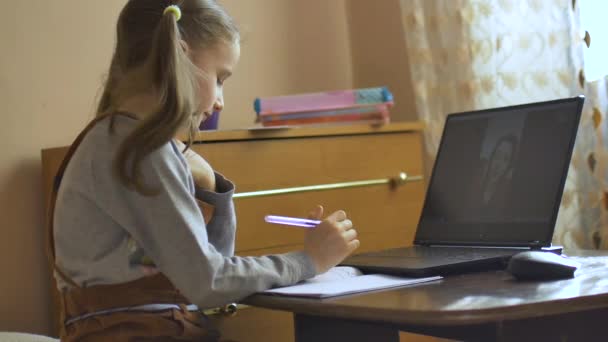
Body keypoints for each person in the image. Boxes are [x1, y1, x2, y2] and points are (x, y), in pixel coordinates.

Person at [49, 1, 360, 341]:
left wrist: (214, 190)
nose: (221, 100)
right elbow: (211, 283)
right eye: (220, 78)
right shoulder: (141, 149)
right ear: (179, 57)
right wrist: (308, 261)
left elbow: (210, 268)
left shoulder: (116, 139)